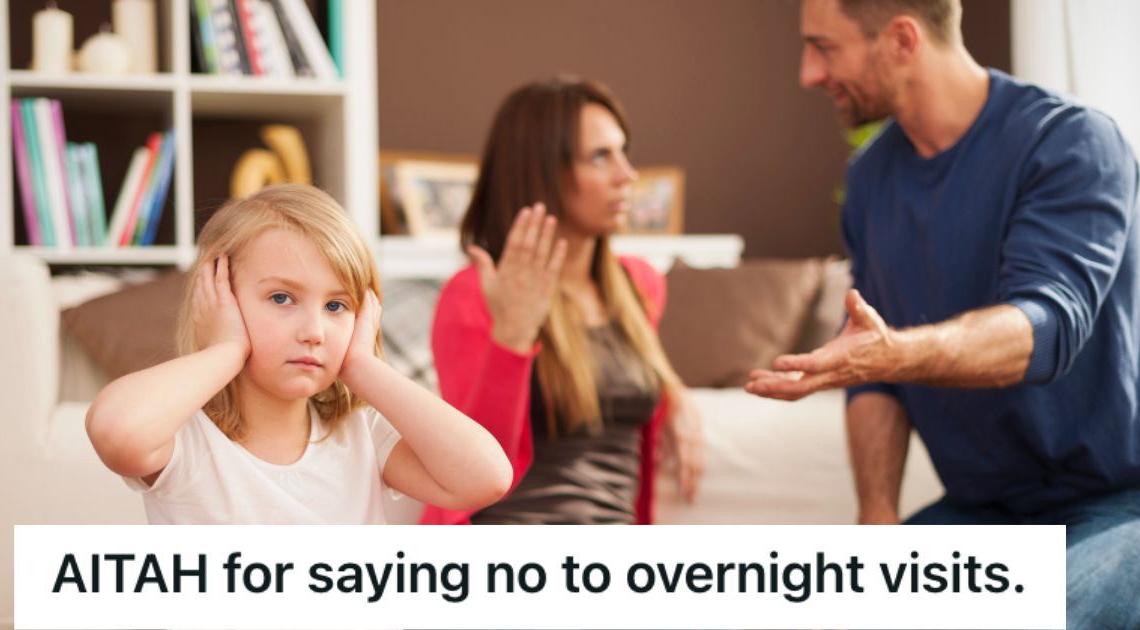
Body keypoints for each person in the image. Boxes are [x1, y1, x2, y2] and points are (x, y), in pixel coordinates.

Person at [745, 0, 1140, 626]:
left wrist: (896, 353)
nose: (808, 73)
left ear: (902, 40)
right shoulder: (871, 179)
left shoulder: (1069, 141)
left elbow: (1047, 327)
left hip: (1118, 503)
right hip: (980, 511)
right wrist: (877, 517)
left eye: (825, 47)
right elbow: (871, 371)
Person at [85, 184, 511, 524]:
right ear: (219, 299)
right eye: (282, 298)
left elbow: (487, 478)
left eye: (335, 306)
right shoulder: (186, 440)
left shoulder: (363, 432)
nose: (313, 332)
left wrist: (362, 366)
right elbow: (116, 430)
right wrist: (226, 349)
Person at [420, 78, 704, 525]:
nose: (626, 175)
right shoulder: (472, 294)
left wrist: (676, 394)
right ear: (542, 172)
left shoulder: (640, 284)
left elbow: (623, 381)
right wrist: (513, 332)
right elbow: (471, 465)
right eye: (600, 157)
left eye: (623, 152)